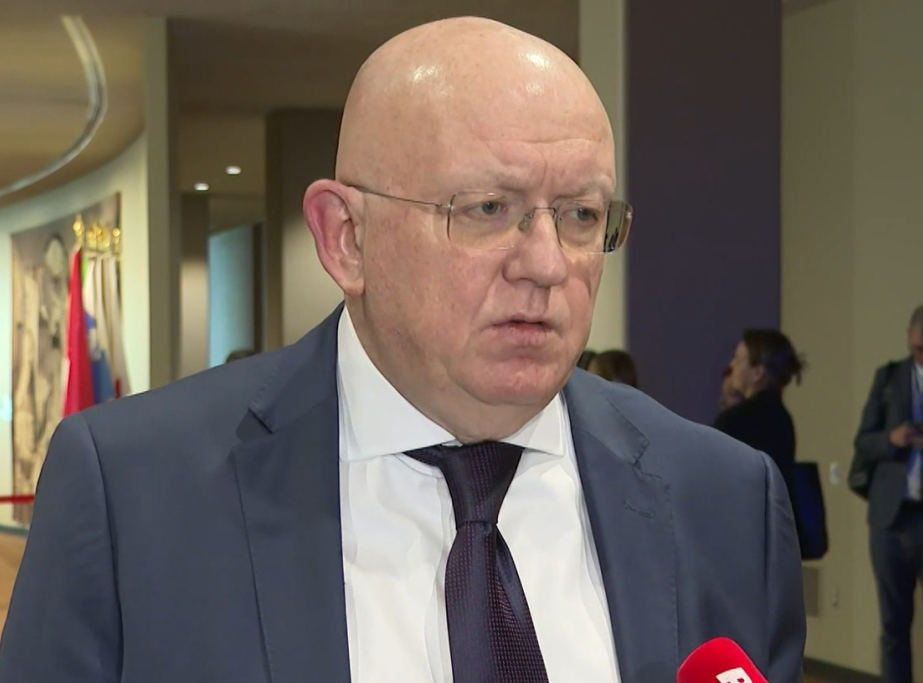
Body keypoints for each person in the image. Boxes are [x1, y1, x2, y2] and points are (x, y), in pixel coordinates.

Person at [0, 17, 805, 683]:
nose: (546, 263)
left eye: (581, 215)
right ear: (347, 238)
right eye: (487, 208)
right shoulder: (133, 494)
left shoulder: (724, 501)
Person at [852, 305, 923, 683]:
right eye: (917, 348)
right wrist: (892, 439)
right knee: (893, 623)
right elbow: (863, 441)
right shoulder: (890, 378)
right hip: (891, 517)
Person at [714, 329, 805, 516]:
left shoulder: (734, 420)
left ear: (757, 372)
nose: (732, 365)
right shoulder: (783, 419)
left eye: (738, 359)